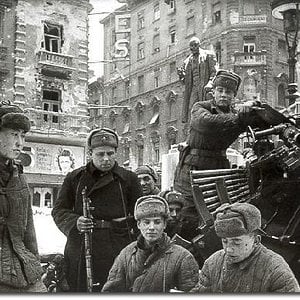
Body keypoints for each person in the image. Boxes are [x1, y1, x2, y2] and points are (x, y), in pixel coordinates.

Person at [174, 69, 265, 240]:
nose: (224, 95)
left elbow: (258, 124)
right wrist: (240, 119)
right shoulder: (200, 107)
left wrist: (257, 111)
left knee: (218, 214)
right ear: (213, 92)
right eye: (220, 90)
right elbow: (206, 123)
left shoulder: (237, 113)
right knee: (188, 215)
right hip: (192, 169)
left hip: (218, 167)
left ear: (234, 95)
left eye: (228, 92)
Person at [51, 128, 143, 292]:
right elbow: (59, 210)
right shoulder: (75, 178)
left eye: (110, 153)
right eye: (100, 154)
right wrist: (75, 222)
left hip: (118, 246)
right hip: (81, 246)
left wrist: (135, 244)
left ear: (116, 152)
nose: (106, 159)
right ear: (90, 153)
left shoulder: (128, 179)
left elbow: (140, 215)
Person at [191, 202, 300, 293]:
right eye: (224, 241)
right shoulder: (213, 264)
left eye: (237, 242)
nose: (228, 249)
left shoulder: (276, 270)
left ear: (256, 240)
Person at [102, 195, 199, 292]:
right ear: (139, 225)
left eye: (157, 222)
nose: (151, 227)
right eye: (146, 222)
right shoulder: (126, 254)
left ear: (164, 224)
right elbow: (110, 291)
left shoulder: (182, 257)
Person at [0, 101, 46, 292]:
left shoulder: (18, 176)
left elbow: (29, 230)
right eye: (13, 135)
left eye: (22, 135)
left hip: (23, 269)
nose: (20, 143)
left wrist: (34, 263)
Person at [177, 36, 217, 123]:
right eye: (191, 46)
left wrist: (210, 83)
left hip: (205, 87)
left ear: (199, 45)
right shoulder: (187, 62)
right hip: (193, 89)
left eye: (195, 45)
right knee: (192, 109)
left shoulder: (208, 55)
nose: (193, 48)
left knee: (206, 109)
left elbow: (214, 72)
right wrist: (182, 76)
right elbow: (185, 82)